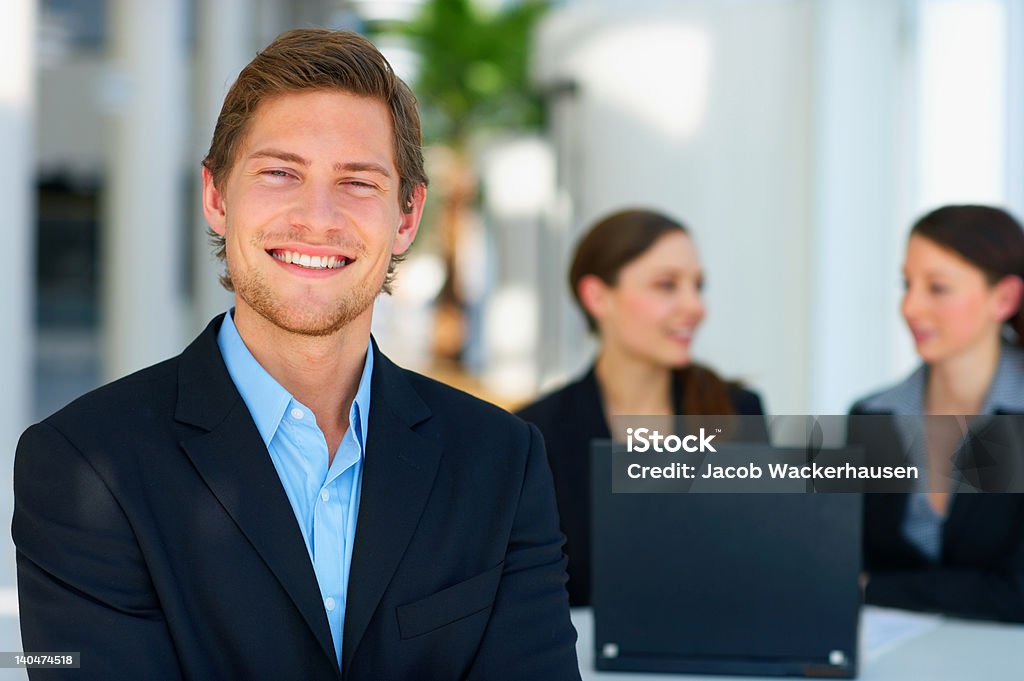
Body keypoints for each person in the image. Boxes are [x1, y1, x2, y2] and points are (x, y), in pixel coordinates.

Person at [13, 29, 580, 680]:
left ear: (406, 216)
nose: (318, 216)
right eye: (281, 172)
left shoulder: (503, 463)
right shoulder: (84, 466)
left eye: (358, 181)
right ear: (217, 198)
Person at [517, 209, 765, 607]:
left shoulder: (737, 413)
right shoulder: (534, 434)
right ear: (597, 296)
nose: (695, 306)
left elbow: (762, 564)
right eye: (667, 285)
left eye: (698, 286)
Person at [849, 205, 1024, 622]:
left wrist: (873, 587)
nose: (910, 307)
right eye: (907, 285)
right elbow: (836, 563)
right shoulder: (871, 415)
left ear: (1003, 298)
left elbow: (1017, 595)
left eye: (937, 288)